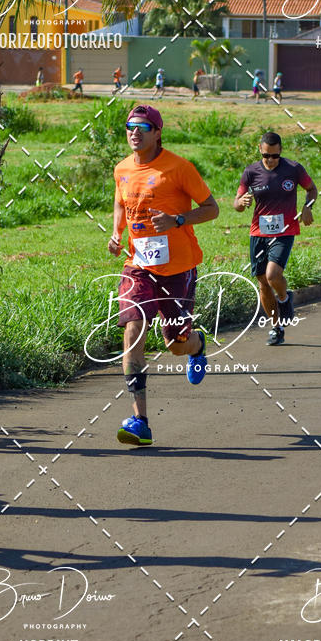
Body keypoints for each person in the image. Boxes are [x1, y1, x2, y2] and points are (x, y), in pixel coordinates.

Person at [108, 105, 219, 445]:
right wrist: (116, 233)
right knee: (133, 330)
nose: (134, 132)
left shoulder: (179, 168)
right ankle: (140, 421)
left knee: (175, 345)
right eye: (129, 126)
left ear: (157, 132)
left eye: (142, 126)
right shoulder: (122, 169)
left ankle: (197, 345)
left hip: (178, 269)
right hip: (138, 266)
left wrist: (178, 221)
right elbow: (121, 206)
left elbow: (212, 208)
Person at [234, 131, 317, 346]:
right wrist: (241, 203)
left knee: (273, 275)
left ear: (280, 151)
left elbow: (311, 189)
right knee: (262, 282)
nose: (270, 160)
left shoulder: (293, 169)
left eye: (274, 156)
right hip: (258, 233)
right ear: (260, 151)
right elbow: (237, 203)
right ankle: (276, 327)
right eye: (266, 156)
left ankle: (284, 298)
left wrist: (307, 207)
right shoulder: (251, 172)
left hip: (284, 231)